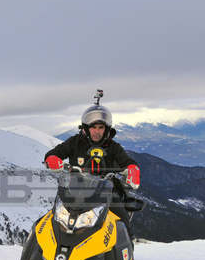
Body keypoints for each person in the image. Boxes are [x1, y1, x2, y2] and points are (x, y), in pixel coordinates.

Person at [44, 95, 140, 240]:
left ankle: (128, 245)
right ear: (86, 128)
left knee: (121, 217)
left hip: (106, 193)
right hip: (75, 190)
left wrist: (132, 169)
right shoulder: (75, 142)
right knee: (51, 220)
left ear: (106, 129)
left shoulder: (113, 147)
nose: (97, 131)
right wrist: (52, 159)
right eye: (93, 127)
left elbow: (126, 161)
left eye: (101, 127)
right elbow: (55, 153)